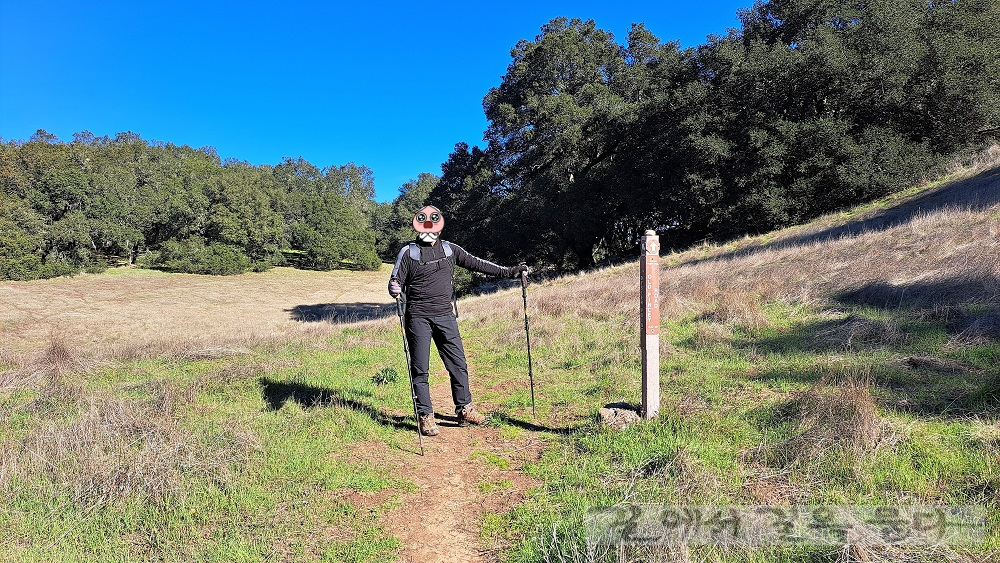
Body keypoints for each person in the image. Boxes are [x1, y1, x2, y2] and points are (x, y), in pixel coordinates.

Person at [388, 205, 529, 436]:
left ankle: (464, 409)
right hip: (418, 317)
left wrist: (510, 271)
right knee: (420, 368)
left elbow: (479, 264)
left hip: (445, 315)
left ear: (440, 230)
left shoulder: (449, 250)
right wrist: (393, 288)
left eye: (433, 229)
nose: (430, 233)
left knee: (458, 364)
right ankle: (425, 415)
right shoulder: (408, 252)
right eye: (425, 229)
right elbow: (395, 281)